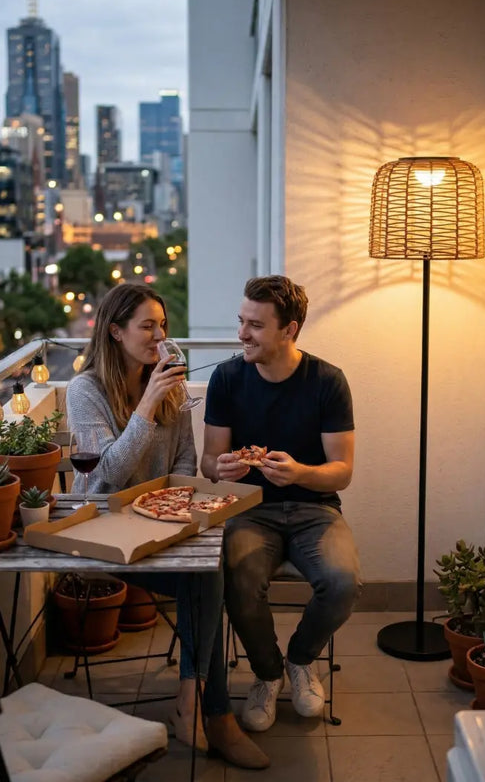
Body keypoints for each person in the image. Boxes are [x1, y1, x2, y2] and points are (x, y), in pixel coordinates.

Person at [65, 283, 269, 770]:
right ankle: (209, 711)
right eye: (147, 326)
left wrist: (167, 504)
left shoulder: (172, 387)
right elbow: (104, 477)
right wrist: (145, 409)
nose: (160, 335)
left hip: (160, 524)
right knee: (207, 579)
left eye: (163, 325)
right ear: (115, 332)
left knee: (209, 569)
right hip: (105, 533)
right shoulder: (85, 390)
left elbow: (183, 471)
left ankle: (192, 699)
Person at [201, 275, 361, 733]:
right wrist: (223, 467)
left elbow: (342, 472)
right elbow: (210, 462)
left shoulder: (327, 380)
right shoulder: (228, 378)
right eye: (240, 321)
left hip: (316, 510)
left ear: (289, 330)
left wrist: (301, 474)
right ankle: (267, 673)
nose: (241, 334)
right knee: (239, 579)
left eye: (255, 325)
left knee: (343, 583)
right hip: (249, 509)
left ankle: (300, 660)